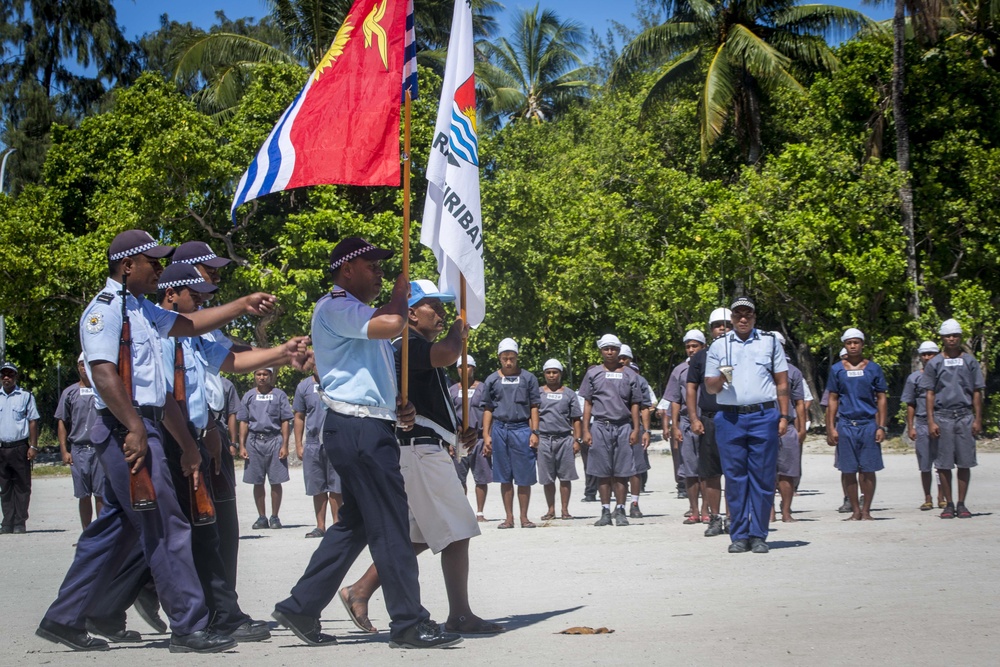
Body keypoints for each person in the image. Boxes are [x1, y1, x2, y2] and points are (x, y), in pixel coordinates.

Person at [38, 229, 276, 653]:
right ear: (128, 266)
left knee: (113, 530)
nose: (160, 269)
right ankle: (188, 625)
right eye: (153, 261)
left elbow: (189, 326)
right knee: (167, 525)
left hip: (141, 423)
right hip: (125, 428)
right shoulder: (105, 310)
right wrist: (133, 427)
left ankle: (63, 617)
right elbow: (105, 373)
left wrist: (240, 305)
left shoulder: (142, 310)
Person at [272, 237, 460, 649]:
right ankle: (409, 622)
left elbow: (367, 374)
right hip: (358, 430)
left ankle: (300, 605)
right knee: (391, 523)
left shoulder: (356, 312)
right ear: (346, 269)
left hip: (367, 425)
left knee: (355, 524)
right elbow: (394, 324)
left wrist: (397, 408)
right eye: (371, 265)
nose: (378, 272)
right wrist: (400, 291)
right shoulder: (337, 306)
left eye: (381, 267)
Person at [338, 279, 501, 637]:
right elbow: (449, 353)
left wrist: (458, 432)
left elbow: (431, 401)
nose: (442, 315)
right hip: (417, 450)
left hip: (425, 446)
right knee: (458, 531)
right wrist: (461, 325)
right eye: (435, 308)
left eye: (445, 309)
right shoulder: (406, 345)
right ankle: (460, 614)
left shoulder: (415, 346)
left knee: (421, 535)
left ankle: (359, 591)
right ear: (410, 312)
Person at [173, 240, 249, 586]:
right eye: (208, 269)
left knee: (219, 520)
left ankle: (221, 603)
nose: (215, 277)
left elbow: (231, 355)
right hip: (192, 427)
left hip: (209, 424)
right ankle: (219, 607)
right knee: (209, 523)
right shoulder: (176, 324)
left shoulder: (204, 322)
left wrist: (282, 352)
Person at [705, 297, 789, 554]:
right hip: (730, 418)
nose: (743, 319)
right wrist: (723, 375)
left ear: (754, 317)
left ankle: (759, 534)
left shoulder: (769, 341)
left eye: (748, 315)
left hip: (763, 416)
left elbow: (782, 383)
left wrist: (784, 416)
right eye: (738, 314)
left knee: (763, 478)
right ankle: (739, 534)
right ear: (731, 318)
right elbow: (710, 387)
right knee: (735, 478)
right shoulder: (719, 346)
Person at [924, 318, 985, 519]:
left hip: (965, 415)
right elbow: (930, 393)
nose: (951, 339)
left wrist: (977, 419)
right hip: (943, 416)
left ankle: (962, 503)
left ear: (960, 338)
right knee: (943, 462)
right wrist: (931, 420)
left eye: (955, 336)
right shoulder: (935, 363)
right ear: (942, 338)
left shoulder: (970, 361)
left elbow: (977, 391)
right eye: (948, 336)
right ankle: (948, 503)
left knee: (965, 462)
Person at [825, 328, 888, 522]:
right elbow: (833, 399)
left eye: (856, 342)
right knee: (848, 469)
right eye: (849, 343)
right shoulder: (837, 369)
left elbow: (881, 398)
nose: (853, 346)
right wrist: (831, 428)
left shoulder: (873, 368)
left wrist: (881, 426)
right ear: (844, 345)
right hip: (845, 424)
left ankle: (867, 510)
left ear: (862, 344)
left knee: (868, 469)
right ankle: (854, 510)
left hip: (868, 423)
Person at [579, 334, 641, 527]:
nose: (610, 352)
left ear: (618, 350)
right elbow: (588, 402)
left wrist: (636, 428)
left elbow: (635, 403)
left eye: (613, 348)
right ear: (601, 351)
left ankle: (621, 509)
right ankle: (605, 510)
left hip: (623, 425)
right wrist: (586, 430)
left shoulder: (630, 374)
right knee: (602, 471)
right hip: (600, 426)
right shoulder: (593, 373)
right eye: (606, 348)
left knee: (622, 471)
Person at [481, 338, 541, 529]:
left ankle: (524, 517)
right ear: (499, 358)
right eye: (505, 358)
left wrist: (535, 432)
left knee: (524, 475)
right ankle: (509, 517)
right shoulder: (491, 380)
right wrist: (486, 435)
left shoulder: (528, 378)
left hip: (522, 428)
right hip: (500, 429)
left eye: (512, 358)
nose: (508, 362)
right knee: (504, 476)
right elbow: (488, 409)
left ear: (517, 358)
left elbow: (534, 407)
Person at [685, 309, 732, 537]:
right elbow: (691, 388)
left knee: (734, 472)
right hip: (711, 420)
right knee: (711, 473)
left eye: (727, 324)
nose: (722, 328)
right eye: (717, 325)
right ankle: (715, 517)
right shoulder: (700, 357)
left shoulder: (741, 353)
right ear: (710, 329)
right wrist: (694, 418)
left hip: (736, 418)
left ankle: (734, 517)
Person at [238, 368, 293, 529]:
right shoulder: (249, 395)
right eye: (258, 374)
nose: (261, 377)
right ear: (254, 376)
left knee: (276, 480)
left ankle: (275, 516)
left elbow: (285, 420)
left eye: (265, 374)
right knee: (257, 480)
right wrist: (242, 445)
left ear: (270, 376)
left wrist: (284, 444)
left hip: (274, 440)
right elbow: (243, 421)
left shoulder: (279, 395)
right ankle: (261, 517)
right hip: (254, 440)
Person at [56, 354, 104, 530]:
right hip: (79, 449)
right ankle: (87, 533)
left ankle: (101, 533)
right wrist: (64, 450)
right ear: (78, 367)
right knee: (83, 494)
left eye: (88, 365)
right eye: (81, 365)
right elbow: (62, 421)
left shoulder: (102, 390)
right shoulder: (70, 393)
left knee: (100, 494)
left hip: (100, 449)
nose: (85, 368)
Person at [294, 372, 343, 538]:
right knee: (317, 487)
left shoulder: (338, 382)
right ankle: (320, 526)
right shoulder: (304, 386)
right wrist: (299, 444)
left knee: (336, 487)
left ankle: (337, 525)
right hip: (314, 444)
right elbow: (299, 416)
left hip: (337, 440)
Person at [667, 330, 707, 524]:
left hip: (707, 420)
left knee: (707, 469)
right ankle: (694, 510)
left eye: (695, 346)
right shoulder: (679, 370)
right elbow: (674, 400)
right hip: (686, 423)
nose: (691, 350)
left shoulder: (712, 365)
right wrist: (674, 426)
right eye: (688, 346)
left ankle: (707, 509)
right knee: (689, 469)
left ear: (703, 347)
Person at [536, 358, 582, 520]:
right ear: (544, 374)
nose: (552, 375)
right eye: (548, 372)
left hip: (564, 439)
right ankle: (550, 510)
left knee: (565, 476)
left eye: (555, 372)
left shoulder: (569, 394)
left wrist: (577, 440)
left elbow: (576, 418)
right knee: (547, 477)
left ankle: (564, 509)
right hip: (544, 439)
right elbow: (532, 415)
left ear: (560, 374)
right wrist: (533, 434)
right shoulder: (538, 393)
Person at [449, 355, 493, 520]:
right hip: (458, 440)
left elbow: (489, 412)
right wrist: (449, 441)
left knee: (481, 477)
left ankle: (480, 512)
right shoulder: (452, 390)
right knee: (458, 479)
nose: (464, 370)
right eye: (460, 367)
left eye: (467, 366)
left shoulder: (483, 388)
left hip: (479, 439)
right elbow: (448, 416)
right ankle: (463, 512)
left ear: (473, 368)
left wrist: (488, 436)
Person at [0, 361, 40, 534]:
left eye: (10, 374)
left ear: (16, 377)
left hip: (19, 448)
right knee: (5, 487)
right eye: (3, 375)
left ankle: (19, 522)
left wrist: (33, 446)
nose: (7, 378)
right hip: (2, 448)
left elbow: (33, 421)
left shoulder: (26, 396)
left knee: (23, 486)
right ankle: (7, 522)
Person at [772, 332, 806, 523]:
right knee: (766, 471)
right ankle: (769, 511)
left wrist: (802, 428)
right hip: (764, 425)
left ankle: (786, 510)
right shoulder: (759, 369)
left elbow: (800, 402)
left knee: (787, 471)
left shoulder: (793, 372)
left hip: (788, 427)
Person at [902, 341, 940, 510]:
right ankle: (928, 497)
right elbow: (910, 403)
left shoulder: (944, 374)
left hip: (941, 421)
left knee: (942, 463)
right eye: (924, 354)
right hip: (923, 422)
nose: (927, 357)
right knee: (925, 463)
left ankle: (943, 496)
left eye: (931, 353)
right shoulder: (914, 378)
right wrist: (911, 426)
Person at [618, 345, 653, 518]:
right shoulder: (606, 376)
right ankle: (619, 505)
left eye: (625, 357)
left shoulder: (640, 380)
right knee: (616, 468)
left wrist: (646, 430)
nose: (622, 360)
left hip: (634, 428)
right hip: (615, 427)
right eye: (620, 357)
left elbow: (645, 407)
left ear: (630, 359)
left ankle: (635, 503)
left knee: (635, 468)